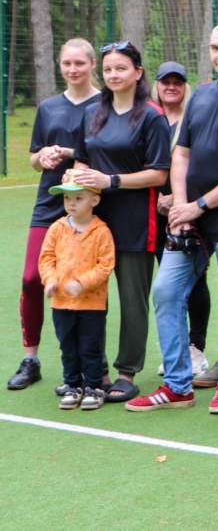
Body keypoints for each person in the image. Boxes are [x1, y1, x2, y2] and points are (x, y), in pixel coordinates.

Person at [128, 21, 218, 413]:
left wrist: (200, 205)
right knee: (165, 292)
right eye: (215, 48)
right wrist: (181, 207)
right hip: (189, 221)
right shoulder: (202, 94)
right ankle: (178, 386)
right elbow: (181, 153)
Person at [72, 42, 171, 404]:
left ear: (138, 73)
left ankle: (127, 372)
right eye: (109, 69)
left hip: (136, 222)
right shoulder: (92, 112)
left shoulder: (152, 116)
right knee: (88, 295)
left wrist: (110, 181)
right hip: (93, 222)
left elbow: (159, 174)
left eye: (121, 68)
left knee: (132, 301)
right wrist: (76, 176)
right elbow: (82, 160)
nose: (114, 75)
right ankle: (93, 370)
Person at [8, 40, 100, 391]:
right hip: (49, 206)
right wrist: (44, 155)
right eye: (67, 63)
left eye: (80, 63)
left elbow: (105, 152)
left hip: (90, 205)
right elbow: (34, 160)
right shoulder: (48, 108)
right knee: (32, 277)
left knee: (87, 282)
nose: (73, 69)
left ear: (92, 65)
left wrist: (71, 153)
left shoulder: (104, 105)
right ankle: (30, 359)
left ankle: (94, 366)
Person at [153, 62, 211, 380]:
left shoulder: (193, 117)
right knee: (165, 286)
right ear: (157, 85)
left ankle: (195, 347)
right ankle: (174, 351)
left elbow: (195, 163)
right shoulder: (149, 117)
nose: (171, 86)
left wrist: (177, 199)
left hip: (186, 211)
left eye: (178, 81)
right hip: (151, 215)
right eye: (166, 81)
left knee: (195, 281)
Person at [39, 171, 116, 411]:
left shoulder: (101, 231)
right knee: (67, 346)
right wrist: (50, 280)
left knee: (90, 346)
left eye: (78, 198)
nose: (71, 203)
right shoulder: (57, 228)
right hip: (61, 302)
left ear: (95, 200)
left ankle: (94, 386)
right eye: (67, 198)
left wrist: (82, 283)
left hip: (91, 303)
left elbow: (105, 265)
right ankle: (72, 385)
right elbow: (46, 258)